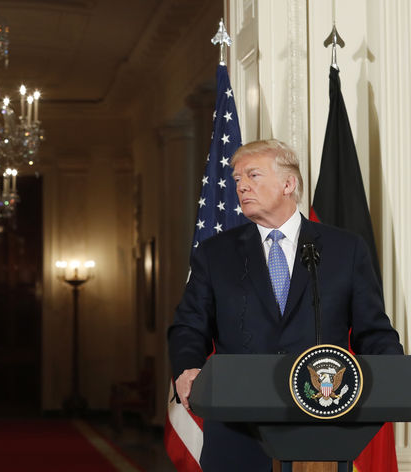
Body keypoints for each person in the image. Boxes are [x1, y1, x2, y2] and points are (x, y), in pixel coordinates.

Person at [168, 139, 403, 471]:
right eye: (237, 179)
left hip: (320, 426)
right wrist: (187, 368)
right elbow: (188, 327)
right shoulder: (215, 254)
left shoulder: (345, 249)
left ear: (289, 183)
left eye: (253, 175)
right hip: (238, 430)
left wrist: (392, 379)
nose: (242, 186)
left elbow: (374, 332)